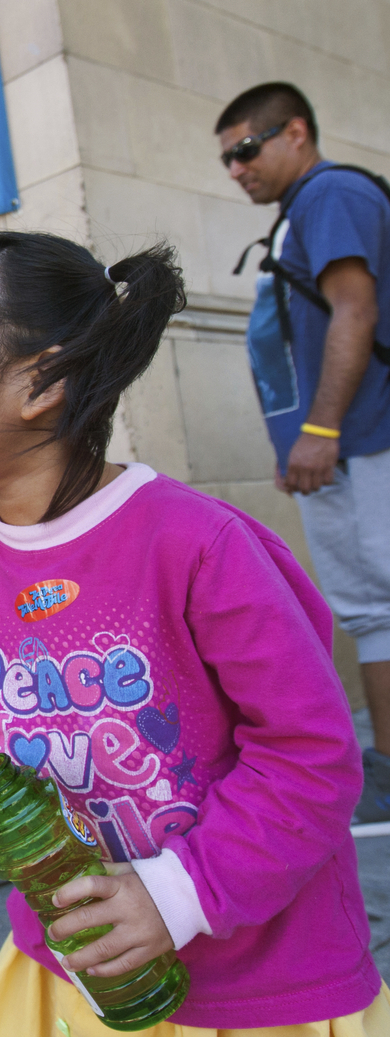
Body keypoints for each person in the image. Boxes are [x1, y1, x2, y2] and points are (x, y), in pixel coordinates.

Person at [0, 232, 385, 1036]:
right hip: (71, 967)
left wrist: (176, 892)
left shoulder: (195, 545)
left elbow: (309, 755)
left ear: (41, 380)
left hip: (256, 982)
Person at [214, 82, 390, 823]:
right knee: (370, 613)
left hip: (366, 439)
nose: (235, 169)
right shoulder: (296, 214)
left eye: (245, 150)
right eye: (225, 160)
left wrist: (319, 431)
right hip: (338, 454)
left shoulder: (330, 194)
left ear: (294, 132)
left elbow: (354, 307)